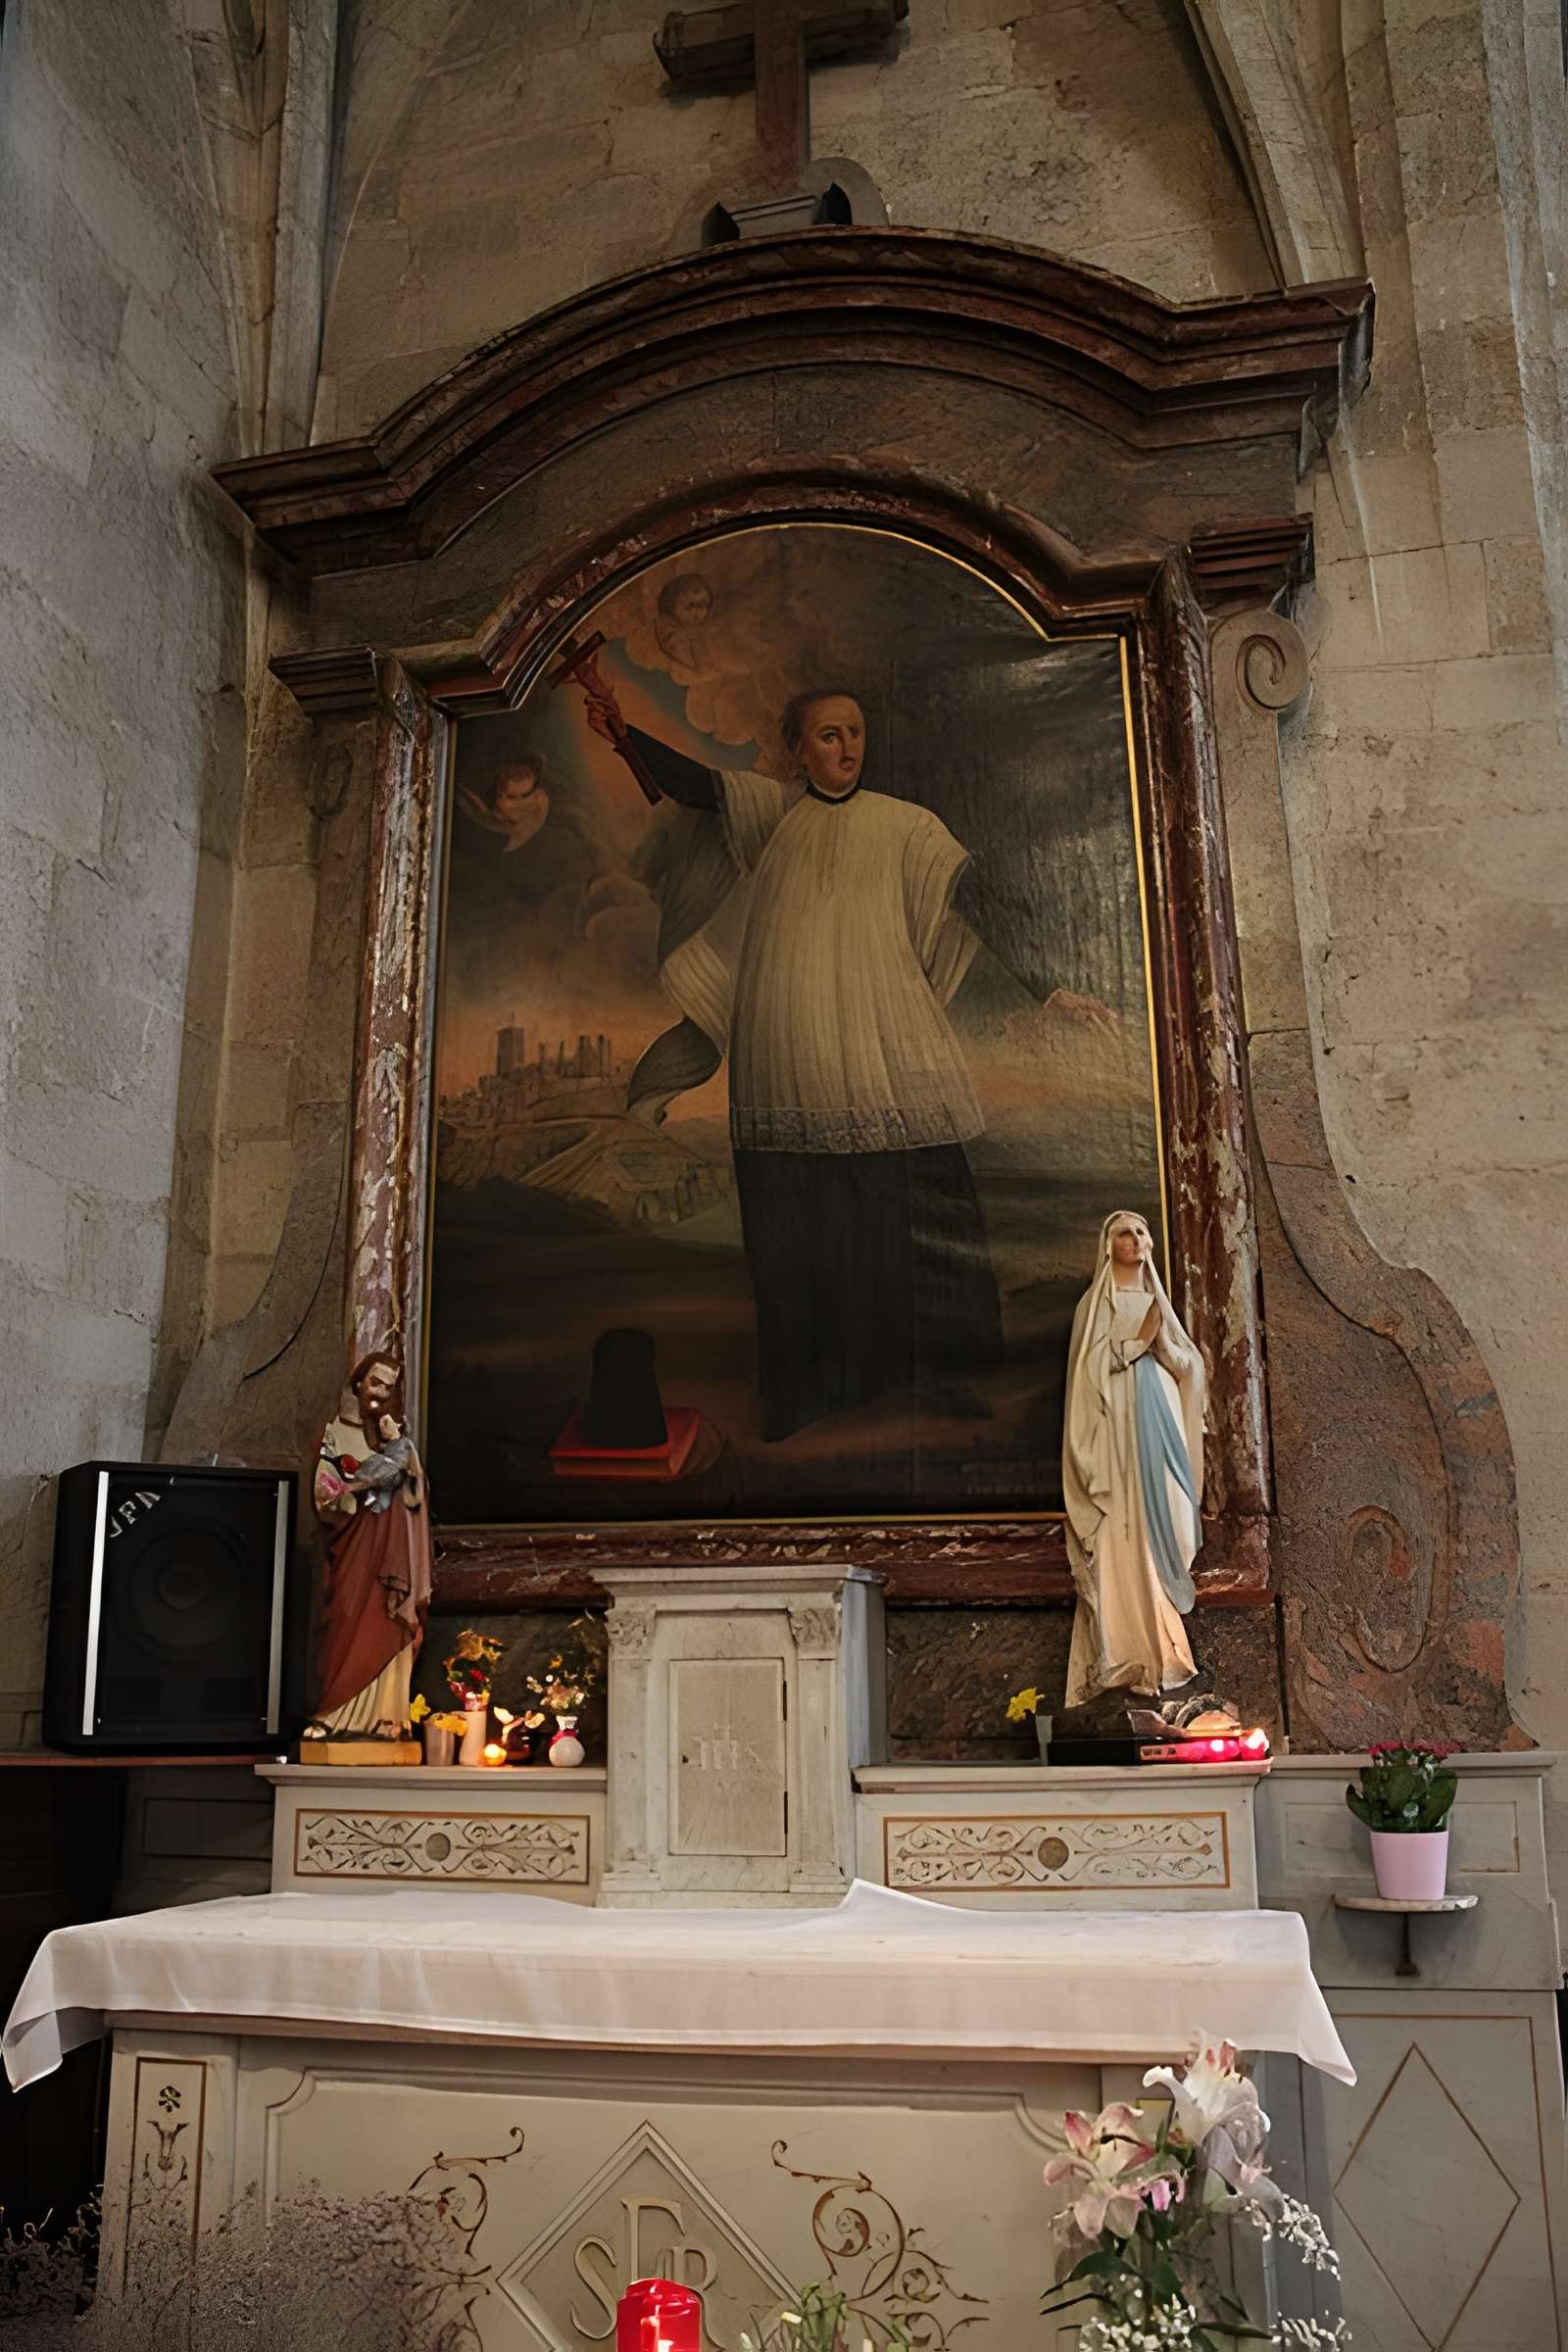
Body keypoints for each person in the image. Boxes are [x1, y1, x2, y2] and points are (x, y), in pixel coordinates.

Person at [586, 683, 1013, 1440]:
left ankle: (936, 1373)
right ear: (798, 749)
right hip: (787, 1049)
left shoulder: (907, 828)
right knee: (801, 1223)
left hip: (886, 1045)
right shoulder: (771, 814)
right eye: (827, 735)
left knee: (914, 1209)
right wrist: (625, 736)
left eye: (855, 732)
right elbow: (695, 787)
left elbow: (979, 900)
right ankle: (812, 1388)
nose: (846, 748)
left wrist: (1048, 988)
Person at [1061, 1209, 1206, 1706]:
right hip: (1115, 1433)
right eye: (1124, 1232)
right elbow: (1086, 1377)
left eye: (1141, 1231)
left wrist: (1164, 1350)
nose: (1135, 1238)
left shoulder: (1157, 1303)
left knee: (1168, 1520)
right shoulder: (1093, 1306)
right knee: (1121, 1532)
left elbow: (1189, 1366)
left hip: (1158, 1426)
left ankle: (1161, 1639)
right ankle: (1124, 1648)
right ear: (1108, 1245)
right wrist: (1129, 1348)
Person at [308, 1348, 433, 1737]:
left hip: (392, 1555)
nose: (380, 1393)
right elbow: (325, 1493)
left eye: (388, 1388)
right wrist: (348, 1491)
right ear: (359, 1383)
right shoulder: (335, 1433)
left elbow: (416, 1492)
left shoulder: (396, 1439)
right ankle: (334, 1713)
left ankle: (386, 1718)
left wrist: (407, 1468)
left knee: (388, 1624)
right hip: (355, 1547)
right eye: (375, 1382)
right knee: (347, 1618)